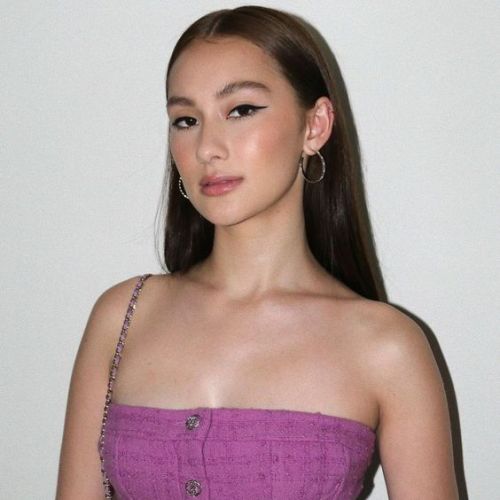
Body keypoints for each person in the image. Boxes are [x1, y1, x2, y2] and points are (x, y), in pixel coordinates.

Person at [56, 6, 458, 499]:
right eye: (186, 120)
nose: (207, 147)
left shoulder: (387, 347)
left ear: (315, 126)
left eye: (241, 110)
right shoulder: (123, 316)